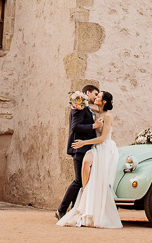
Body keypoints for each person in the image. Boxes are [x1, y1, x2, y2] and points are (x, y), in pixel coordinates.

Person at [56, 91, 122, 229]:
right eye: (95, 94)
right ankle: (85, 196)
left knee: (89, 170)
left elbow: (103, 138)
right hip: (94, 147)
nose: (95, 97)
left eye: (98, 96)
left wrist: (83, 143)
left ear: (104, 101)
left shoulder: (108, 116)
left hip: (104, 147)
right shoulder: (93, 111)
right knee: (85, 166)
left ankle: (87, 204)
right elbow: (81, 106)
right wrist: (78, 99)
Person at [56, 85, 101, 219]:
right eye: (95, 94)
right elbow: (75, 126)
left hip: (84, 148)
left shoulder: (86, 106)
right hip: (79, 148)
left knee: (81, 182)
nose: (96, 96)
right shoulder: (79, 104)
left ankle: (73, 210)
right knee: (78, 181)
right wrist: (94, 126)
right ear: (88, 92)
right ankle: (61, 210)